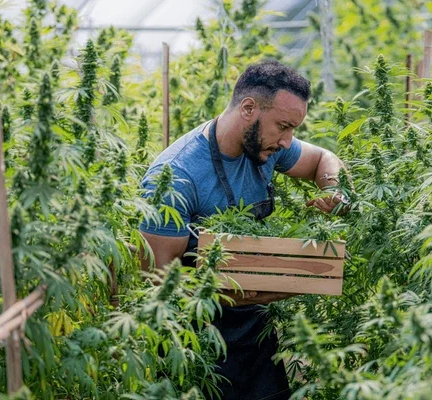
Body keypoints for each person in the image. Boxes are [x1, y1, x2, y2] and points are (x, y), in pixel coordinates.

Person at [139, 60, 346, 400]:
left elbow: (324, 158)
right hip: (195, 340)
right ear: (249, 108)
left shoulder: (264, 148)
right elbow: (158, 291)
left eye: (293, 129)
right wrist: (272, 284)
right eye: (283, 126)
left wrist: (334, 191)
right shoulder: (176, 177)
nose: (287, 141)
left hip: (255, 330)